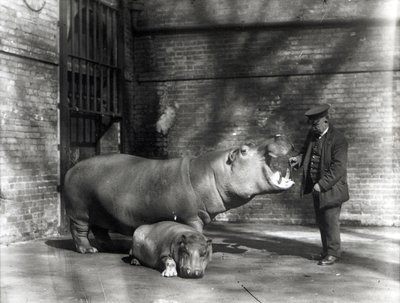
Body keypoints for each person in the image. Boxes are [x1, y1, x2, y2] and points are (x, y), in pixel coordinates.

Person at [289, 104, 349, 266]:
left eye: (315, 124)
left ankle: (333, 253)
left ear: (326, 121)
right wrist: (298, 159)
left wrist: (321, 185)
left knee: (330, 221)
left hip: (332, 189)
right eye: (311, 124)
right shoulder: (313, 135)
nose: (313, 127)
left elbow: (338, 168)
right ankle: (326, 251)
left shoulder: (338, 140)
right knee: (321, 221)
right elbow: (305, 152)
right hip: (317, 188)